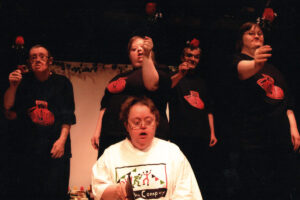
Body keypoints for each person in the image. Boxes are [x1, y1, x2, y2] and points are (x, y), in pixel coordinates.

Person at [232, 22, 300, 200]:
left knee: (282, 188)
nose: (256, 35)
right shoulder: (238, 61)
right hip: (255, 141)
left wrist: (293, 127)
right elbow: (241, 72)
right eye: (250, 33)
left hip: (279, 139)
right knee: (257, 190)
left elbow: (287, 102)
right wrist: (255, 63)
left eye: (260, 33)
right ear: (241, 40)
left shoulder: (274, 69)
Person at [92, 96, 202, 200]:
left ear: (156, 123)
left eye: (148, 121)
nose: (143, 126)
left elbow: (187, 193)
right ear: (126, 125)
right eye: (136, 122)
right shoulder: (111, 155)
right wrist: (116, 191)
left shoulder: (173, 153)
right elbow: (98, 190)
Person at [3, 44, 76, 199]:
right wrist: (12, 86)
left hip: (55, 147)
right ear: (29, 62)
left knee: (54, 192)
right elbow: (8, 106)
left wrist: (62, 141)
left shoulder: (62, 83)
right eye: (33, 57)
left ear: (50, 61)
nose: (37, 60)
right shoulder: (23, 82)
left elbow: (68, 116)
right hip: (29, 148)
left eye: (41, 56)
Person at [91, 36, 170, 158]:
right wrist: (98, 131)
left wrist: (147, 56)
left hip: (137, 136)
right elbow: (105, 105)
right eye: (134, 49)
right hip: (110, 133)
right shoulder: (119, 77)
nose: (139, 50)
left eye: (142, 47)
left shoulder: (159, 71)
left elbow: (151, 85)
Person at [167, 38, 220, 199]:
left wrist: (212, 133)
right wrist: (180, 74)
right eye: (189, 55)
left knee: (200, 176)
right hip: (180, 135)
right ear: (183, 57)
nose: (192, 59)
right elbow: (165, 90)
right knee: (180, 176)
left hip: (201, 135)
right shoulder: (175, 78)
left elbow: (208, 109)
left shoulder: (202, 82)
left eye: (196, 56)